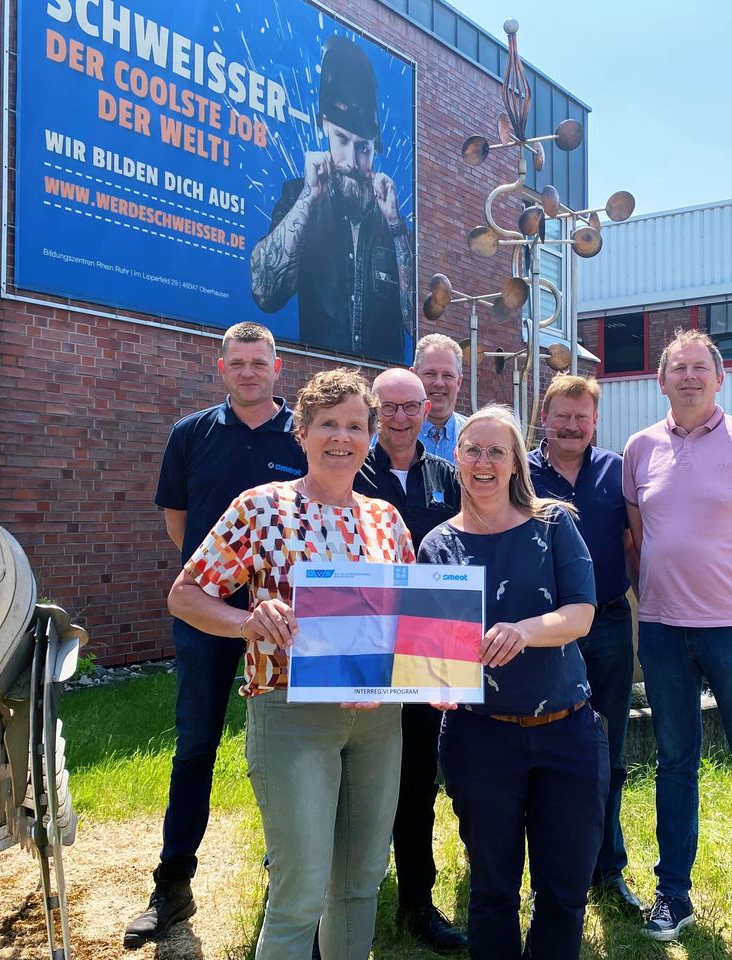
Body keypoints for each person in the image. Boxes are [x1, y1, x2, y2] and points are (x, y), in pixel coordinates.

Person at [169, 369, 415, 960]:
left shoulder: (386, 519)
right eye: (328, 424)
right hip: (291, 713)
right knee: (300, 890)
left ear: (370, 437)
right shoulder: (261, 508)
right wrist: (246, 620)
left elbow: (409, 619)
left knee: (360, 883)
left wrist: (435, 666)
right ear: (301, 433)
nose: (341, 437)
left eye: (355, 426)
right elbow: (186, 595)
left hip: (377, 721)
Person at [126, 323, 306, 950]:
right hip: (207, 616)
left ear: (277, 368)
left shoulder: (304, 434)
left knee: (292, 748)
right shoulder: (191, 434)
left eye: (260, 362)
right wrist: (216, 588)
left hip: (289, 620)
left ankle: (290, 878)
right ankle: (173, 885)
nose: (249, 372)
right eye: (238, 363)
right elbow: (180, 525)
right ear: (221, 367)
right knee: (196, 745)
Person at [622, 330, 732, 958]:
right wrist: (656, 599)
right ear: (661, 380)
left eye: (701, 367)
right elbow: (638, 541)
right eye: (678, 367)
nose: (690, 376)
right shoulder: (640, 448)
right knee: (675, 764)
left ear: (719, 379)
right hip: (665, 633)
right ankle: (673, 894)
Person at [418, 405, 607, 960]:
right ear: (457, 458)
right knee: (492, 889)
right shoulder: (436, 546)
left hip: (566, 732)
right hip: (480, 737)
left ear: (516, 462)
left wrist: (523, 631)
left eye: (497, 451)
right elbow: (433, 646)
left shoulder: (554, 524)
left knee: (564, 892)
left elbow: (581, 614)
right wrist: (432, 679)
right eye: (473, 450)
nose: (484, 462)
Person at [353, 368, 465, 951]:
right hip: (362, 643)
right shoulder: (351, 467)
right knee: (354, 776)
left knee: (419, 777)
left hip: (428, 646)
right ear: (375, 411)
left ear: (427, 411)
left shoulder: (448, 475)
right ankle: (344, 895)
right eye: (389, 407)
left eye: (411, 407)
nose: (400, 417)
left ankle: (418, 901)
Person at [527, 374, 642, 916]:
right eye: (562, 416)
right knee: (543, 752)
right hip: (542, 631)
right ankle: (547, 869)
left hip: (609, 627)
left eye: (582, 417)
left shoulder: (617, 471)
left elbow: (635, 541)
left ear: (595, 421)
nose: (572, 426)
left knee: (608, 753)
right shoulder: (520, 473)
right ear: (543, 418)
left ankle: (607, 868)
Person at [250, 35, 413, 364]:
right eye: (341, 139)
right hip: (319, 383)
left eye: (363, 148)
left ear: (376, 147)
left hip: (381, 390)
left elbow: (414, 323)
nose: (352, 161)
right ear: (325, 127)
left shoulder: (392, 218)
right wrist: (308, 198)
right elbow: (265, 293)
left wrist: (396, 226)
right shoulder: (298, 195)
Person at [412, 334, 467, 462]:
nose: (439, 383)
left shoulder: (475, 436)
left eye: (447, 375)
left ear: (459, 382)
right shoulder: (388, 436)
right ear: (413, 377)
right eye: (430, 374)